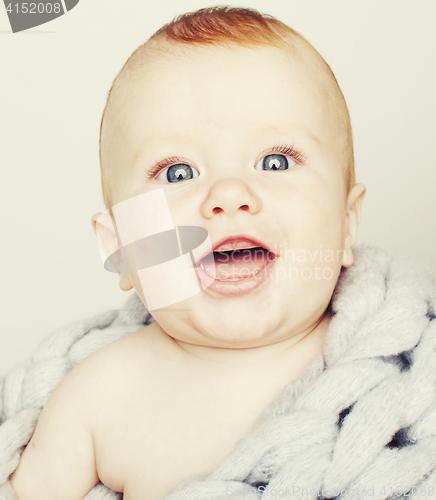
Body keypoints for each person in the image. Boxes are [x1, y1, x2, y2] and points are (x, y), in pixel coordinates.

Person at [5, 6, 434, 500]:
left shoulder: (405, 379)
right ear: (121, 246)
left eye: (275, 161)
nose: (229, 194)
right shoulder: (97, 398)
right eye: (178, 173)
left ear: (346, 223)